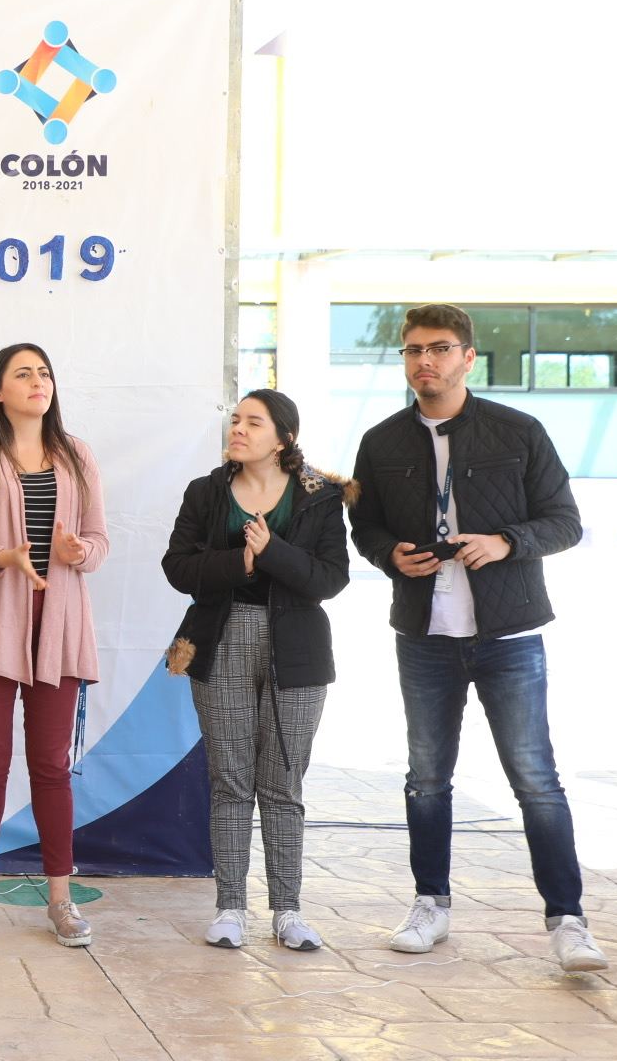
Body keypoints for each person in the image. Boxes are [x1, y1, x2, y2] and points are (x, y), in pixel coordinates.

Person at [348, 303, 606, 972]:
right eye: (412, 351)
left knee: (535, 779)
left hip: (509, 633)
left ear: (467, 356)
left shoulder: (518, 431)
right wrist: (387, 555)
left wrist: (505, 541)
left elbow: (565, 522)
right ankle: (430, 903)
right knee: (427, 779)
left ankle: (568, 920)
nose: (423, 362)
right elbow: (366, 526)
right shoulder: (381, 441)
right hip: (425, 633)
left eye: (437, 349)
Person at [161, 389, 349, 953]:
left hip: (298, 650)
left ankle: (288, 911)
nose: (238, 429)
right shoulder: (207, 492)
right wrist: (239, 561)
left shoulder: (319, 495)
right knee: (230, 779)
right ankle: (230, 908)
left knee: (283, 783)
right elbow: (178, 566)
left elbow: (330, 579)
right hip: (220, 641)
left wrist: (271, 551)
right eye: (235, 420)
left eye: (253, 422)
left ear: (283, 437)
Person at [0, 344, 109, 948]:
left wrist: (77, 554)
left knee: (50, 767)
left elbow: (98, 540)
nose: (38, 382)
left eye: (45, 373)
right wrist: (2, 558)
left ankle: (60, 899)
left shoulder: (75, 455)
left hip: (57, 627)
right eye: (23, 373)